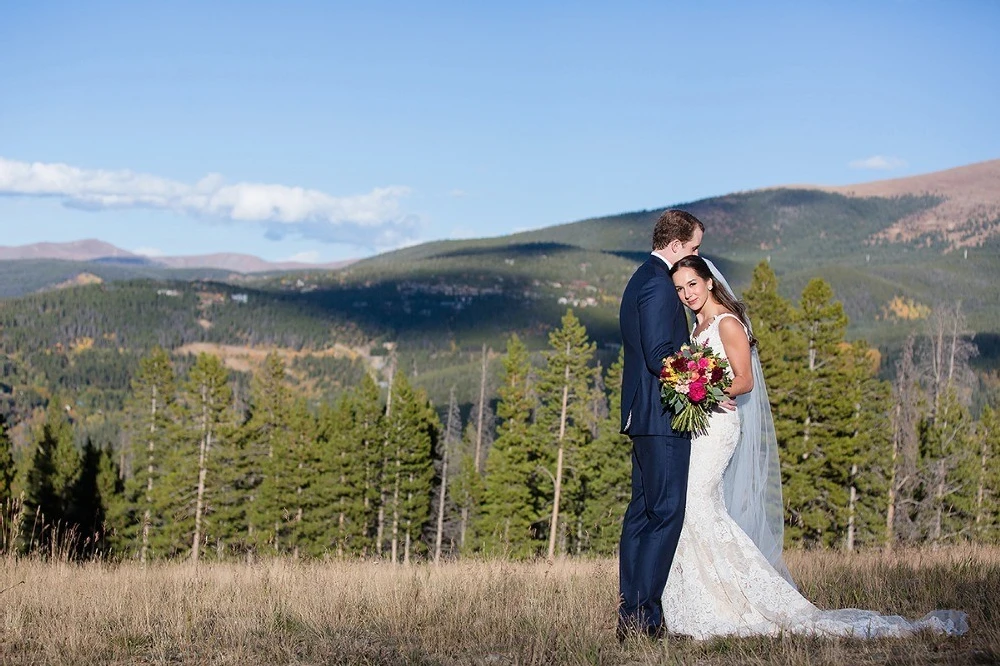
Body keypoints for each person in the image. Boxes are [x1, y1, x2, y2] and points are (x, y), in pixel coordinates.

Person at [661, 254, 968, 639]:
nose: (687, 293)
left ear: (708, 281)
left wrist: (704, 387)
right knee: (696, 508)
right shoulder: (698, 324)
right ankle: (708, 599)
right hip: (700, 426)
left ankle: (741, 596)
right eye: (679, 288)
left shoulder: (727, 323)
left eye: (692, 284)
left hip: (719, 426)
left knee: (699, 504)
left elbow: (745, 381)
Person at [617, 209, 707, 640]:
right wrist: (699, 384)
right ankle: (645, 619)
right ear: (675, 246)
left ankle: (632, 616)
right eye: (692, 248)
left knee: (642, 514)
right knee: (665, 513)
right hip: (661, 415)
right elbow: (658, 356)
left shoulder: (641, 276)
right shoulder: (656, 283)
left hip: (645, 414)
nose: (695, 255)